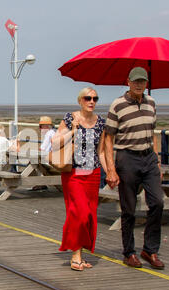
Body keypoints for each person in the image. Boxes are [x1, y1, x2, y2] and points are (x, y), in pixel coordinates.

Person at [103, 67, 165, 270]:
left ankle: (150, 249)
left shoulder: (151, 103)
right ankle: (129, 252)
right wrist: (111, 169)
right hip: (127, 157)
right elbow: (108, 137)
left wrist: (157, 160)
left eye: (143, 81)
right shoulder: (118, 105)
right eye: (136, 81)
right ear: (128, 82)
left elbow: (152, 133)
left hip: (148, 157)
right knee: (129, 209)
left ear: (147, 83)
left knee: (157, 202)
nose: (139, 85)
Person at [54, 87, 107, 271]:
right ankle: (75, 255)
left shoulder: (101, 122)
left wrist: (110, 173)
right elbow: (55, 142)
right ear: (80, 100)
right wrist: (74, 131)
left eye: (95, 98)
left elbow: (101, 151)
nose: (91, 101)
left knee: (90, 216)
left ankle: (80, 254)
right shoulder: (70, 118)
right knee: (80, 212)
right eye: (87, 98)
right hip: (74, 173)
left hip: (93, 173)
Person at [30, 116, 56, 191]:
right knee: (37, 162)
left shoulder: (49, 134)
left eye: (41, 126)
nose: (40, 128)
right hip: (54, 159)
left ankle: (41, 183)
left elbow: (42, 149)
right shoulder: (53, 132)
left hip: (50, 160)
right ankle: (41, 183)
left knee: (34, 162)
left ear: (46, 126)